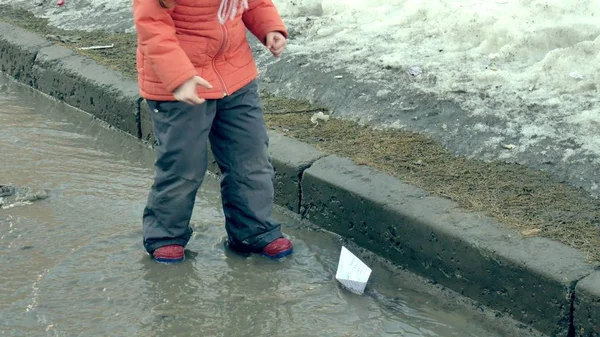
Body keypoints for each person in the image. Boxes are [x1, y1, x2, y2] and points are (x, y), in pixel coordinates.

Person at [133, 0, 293, 263]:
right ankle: (166, 235)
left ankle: (252, 231)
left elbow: (254, 3)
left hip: (235, 74)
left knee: (250, 157)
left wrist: (269, 28)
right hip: (181, 83)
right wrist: (179, 77)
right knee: (183, 164)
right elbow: (152, 27)